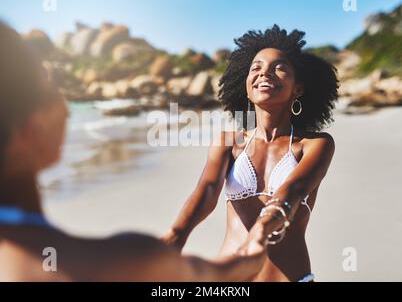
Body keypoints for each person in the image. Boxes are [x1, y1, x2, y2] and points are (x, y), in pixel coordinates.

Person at [0, 21, 266, 281]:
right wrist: (251, 254)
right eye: (49, 87)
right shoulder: (128, 262)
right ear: (30, 127)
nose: (67, 108)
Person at [162, 25, 339, 282]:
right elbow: (208, 191)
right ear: (246, 87)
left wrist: (261, 231)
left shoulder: (314, 144)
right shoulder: (228, 142)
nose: (264, 72)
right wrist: (176, 235)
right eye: (255, 68)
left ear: (297, 88)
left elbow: (294, 190)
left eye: (279, 67)